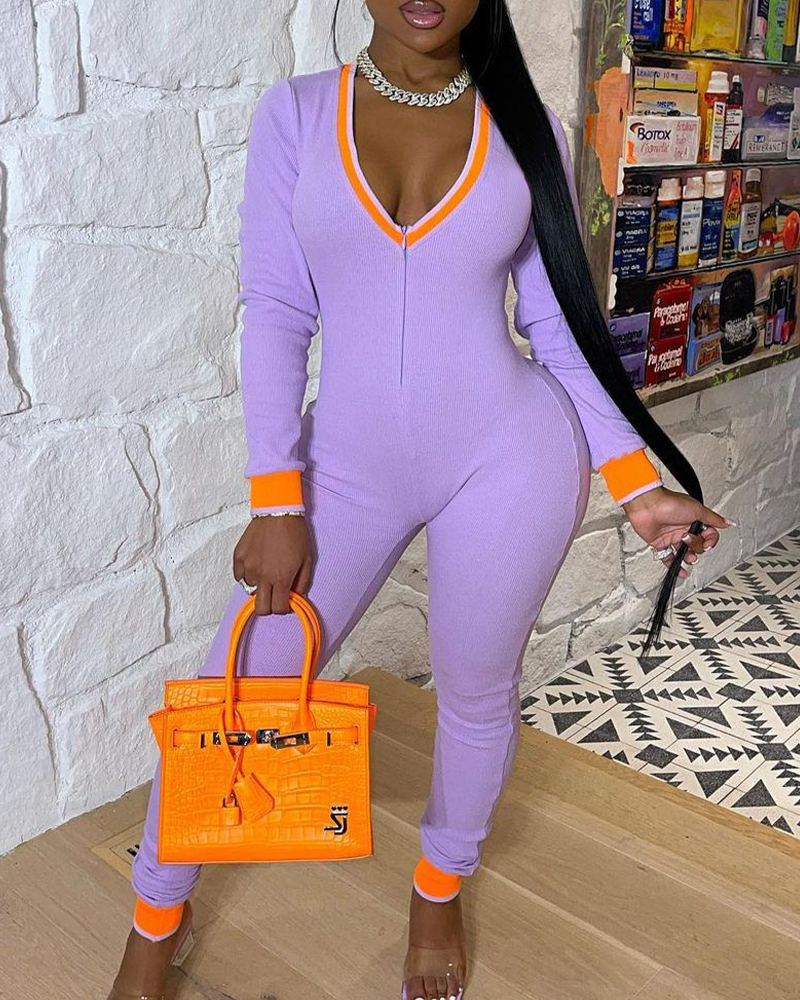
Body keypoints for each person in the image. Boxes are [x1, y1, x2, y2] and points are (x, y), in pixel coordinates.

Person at [106, 2, 733, 998]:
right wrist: (277, 501)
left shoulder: (523, 126)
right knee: (243, 682)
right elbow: (277, 309)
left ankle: (437, 887)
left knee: (475, 692)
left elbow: (555, 328)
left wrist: (635, 486)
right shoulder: (296, 115)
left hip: (507, 456)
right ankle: (153, 922)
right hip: (344, 469)